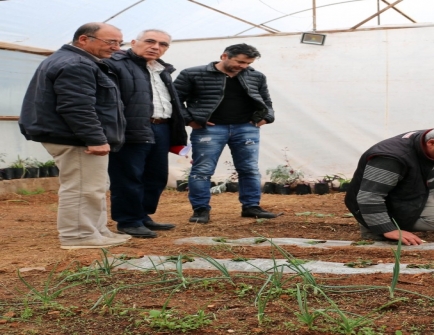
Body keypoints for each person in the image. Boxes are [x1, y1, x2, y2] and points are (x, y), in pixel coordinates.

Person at [19, 23, 129, 249]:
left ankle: (96, 230)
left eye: (119, 42)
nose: (116, 48)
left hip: (72, 134)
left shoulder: (76, 61)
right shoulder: (77, 64)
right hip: (74, 137)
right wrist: (95, 138)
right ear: (83, 40)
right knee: (82, 187)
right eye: (110, 42)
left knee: (94, 185)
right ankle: (78, 236)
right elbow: (77, 106)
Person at [174, 43, 277, 223]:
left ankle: (251, 207)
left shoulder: (256, 76)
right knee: (202, 170)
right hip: (209, 129)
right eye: (240, 62)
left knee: (249, 169)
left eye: (248, 63)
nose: (244, 66)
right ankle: (200, 210)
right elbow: (174, 101)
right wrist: (190, 119)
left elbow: (266, 101)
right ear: (224, 56)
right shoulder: (192, 74)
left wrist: (267, 117)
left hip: (246, 128)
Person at [104, 29, 187, 238]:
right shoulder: (115, 64)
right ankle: (128, 220)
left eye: (163, 44)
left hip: (162, 127)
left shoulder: (162, 70)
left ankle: (142, 215)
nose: (156, 47)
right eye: (150, 41)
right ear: (134, 42)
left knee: (156, 176)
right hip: (132, 127)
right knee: (128, 175)